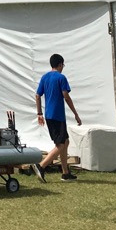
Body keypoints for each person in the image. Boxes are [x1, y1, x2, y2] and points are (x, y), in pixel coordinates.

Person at [34, 53, 82, 182]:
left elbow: (37, 95)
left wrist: (39, 113)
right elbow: (66, 96)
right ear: (60, 64)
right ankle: (41, 166)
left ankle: (65, 173)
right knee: (61, 144)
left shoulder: (44, 77)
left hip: (49, 115)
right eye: (63, 65)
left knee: (65, 142)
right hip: (58, 116)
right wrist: (76, 114)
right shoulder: (61, 78)